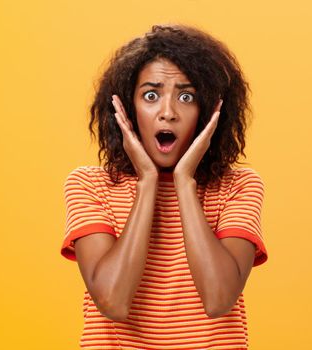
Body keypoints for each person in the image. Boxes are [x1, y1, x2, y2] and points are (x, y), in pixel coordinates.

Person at [60, 23, 268, 350]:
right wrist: (147, 182)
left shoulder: (238, 187)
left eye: (186, 96)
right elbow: (112, 301)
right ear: (127, 108)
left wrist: (185, 182)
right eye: (151, 95)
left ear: (209, 111)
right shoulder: (90, 185)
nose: (168, 113)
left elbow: (218, 299)